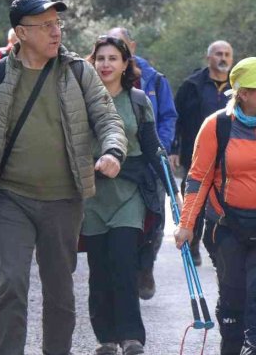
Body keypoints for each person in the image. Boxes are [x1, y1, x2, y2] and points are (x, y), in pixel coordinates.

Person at [0, 0, 127, 355]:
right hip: (12, 197)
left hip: (64, 199)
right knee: (12, 282)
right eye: (46, 26)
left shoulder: (78, 72)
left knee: (59, 289)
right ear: (21, 33)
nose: (56, 33)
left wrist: (113, 150)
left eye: (58, 25)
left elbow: (108, 119)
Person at [175, 57, 256, 354]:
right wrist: (186, 225)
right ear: (242, 93)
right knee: (233, 302)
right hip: (227, 228)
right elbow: (198, 180)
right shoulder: (216, 126)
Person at [83, 35, 177, 354]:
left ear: (125, 64)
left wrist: (171, 185)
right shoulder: (81, 99)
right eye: (101, 58)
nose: (106, 64)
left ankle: (132, 336)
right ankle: (106, 338)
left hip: (129, 193)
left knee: (123, 263)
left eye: (113, 58)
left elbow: (151, 145)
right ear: (92, 62)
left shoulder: (137, 100)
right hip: (91, 195)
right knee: (99, 269)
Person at [107, 26, 178, 300]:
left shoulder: (155, 80)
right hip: (113, 166)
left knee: (154, 220)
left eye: (121, 46)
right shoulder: (95, 80)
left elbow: (169, 117)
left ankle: (146, 266)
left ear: (132, 48)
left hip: (149, 163)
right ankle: (119, 274)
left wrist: (163, 148)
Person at [172, 40, 234, 265]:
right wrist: (173, 149)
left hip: (230, 154)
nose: (223, 58)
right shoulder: (192, 85)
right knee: (194, 197)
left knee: (224, 200)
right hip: (195, 153)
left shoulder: (238, 84)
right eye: (218, 54)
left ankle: (222, 246)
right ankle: (193, 242)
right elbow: (175, 119)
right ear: (209, 58)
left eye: (227, 54)